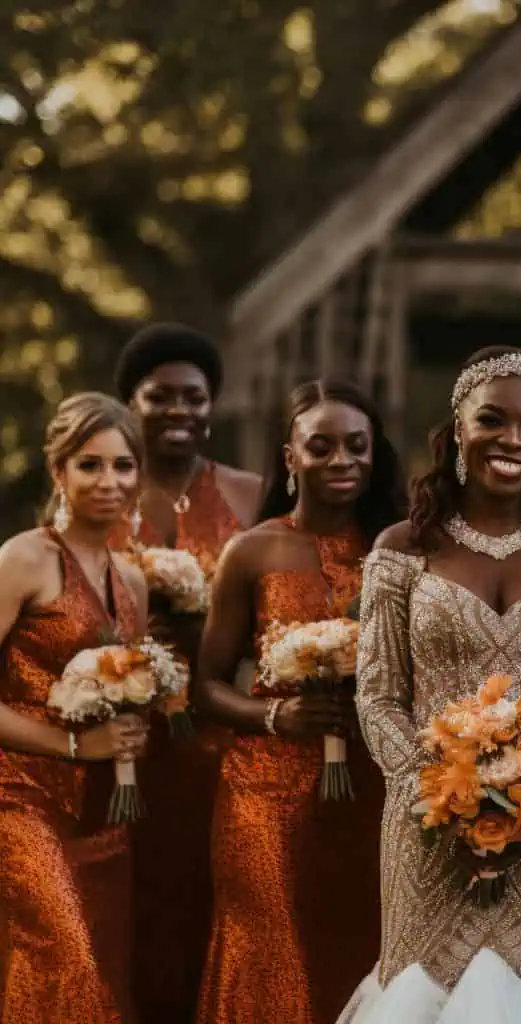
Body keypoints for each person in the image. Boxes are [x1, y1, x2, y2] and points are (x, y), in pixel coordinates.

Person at [339, 346, 521, 1022]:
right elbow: (379, 695)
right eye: (492, 421)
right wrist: (448, 802)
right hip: (428, 830)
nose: (513, 441)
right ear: (458, 431)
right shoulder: (403, 548)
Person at [195, 379, 405, 1024]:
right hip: (264, 791)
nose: (342, 460)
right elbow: (204, 684)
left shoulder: (398, 551)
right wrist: (274, 715)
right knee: (270, 951)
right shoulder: (253, 549)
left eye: (357, 446)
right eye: (322, 446)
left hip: (371, 788)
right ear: (290, 456)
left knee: (359, 949)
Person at [112, 322, 262, 1024]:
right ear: (130, 404)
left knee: (220, 899)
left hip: (225, 745)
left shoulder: (249, 492)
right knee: (135, 901)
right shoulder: (101, 492)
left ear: (213, 404)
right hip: (127, 742)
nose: (180, 411)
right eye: (161, 396)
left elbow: (281, 607)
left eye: (194, 398)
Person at [0, 392, 149, 1023]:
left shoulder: (134, 582)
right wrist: (69, 745)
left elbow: (126, 687)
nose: (108, 481)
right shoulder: (24, 558)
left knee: (104, 965)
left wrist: (131, 729)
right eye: (90, 465)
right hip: (19, 799)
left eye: (122, 465)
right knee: (68, 960)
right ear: (59, 471)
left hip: (102, 809)